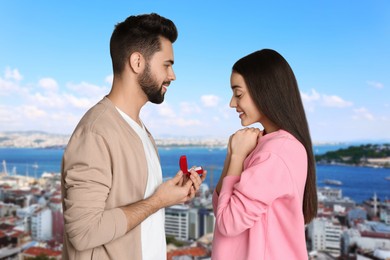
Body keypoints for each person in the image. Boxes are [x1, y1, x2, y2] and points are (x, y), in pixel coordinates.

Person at [61, 13, 206, 260]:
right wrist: (157, 201)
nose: (172, 75)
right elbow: (83, 231)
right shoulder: (97, 132)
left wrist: (171, 194)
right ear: (138, 62)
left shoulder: (140, 130)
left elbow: (140, 206)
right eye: (167, 65)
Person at [212, 49, 317, 259]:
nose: (232, 103)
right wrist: (234, 153)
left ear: (264, 91)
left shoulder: (275, 152)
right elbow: (220, 206)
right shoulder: (266, 144)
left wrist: (237, 157)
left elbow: (227, 223)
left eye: (238, 93)